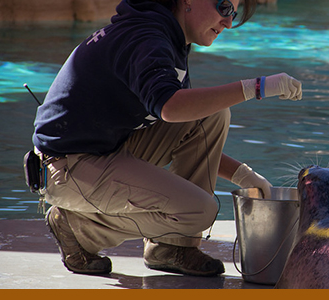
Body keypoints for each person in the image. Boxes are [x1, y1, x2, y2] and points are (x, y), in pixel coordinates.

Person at [31, 0, 302, 277]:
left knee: (212, 116)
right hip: (65, 165)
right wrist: (256, 87)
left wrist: (244, 175)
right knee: (199, 211)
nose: (229, 22)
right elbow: (170, 106)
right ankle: (78, 229)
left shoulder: (170, 37)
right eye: (223, 7)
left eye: (233, 12)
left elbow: (187, 120)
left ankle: (173, 247)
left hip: (106, 149)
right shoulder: (146, 36)